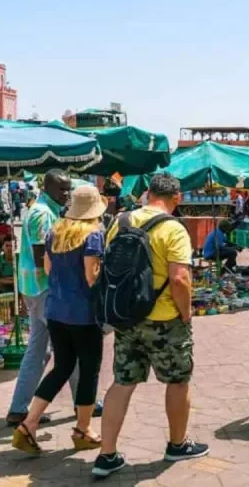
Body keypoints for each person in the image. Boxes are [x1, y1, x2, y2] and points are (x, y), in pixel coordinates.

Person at [94, 173, 208, 479]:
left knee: (123, 382)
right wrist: (186, 314)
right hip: (165, 320)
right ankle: (177, 444)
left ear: (147, 193)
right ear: (177, 198)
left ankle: (106, 455)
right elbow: (180, 279)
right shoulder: (173, 229)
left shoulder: (121, 221)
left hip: (127, 317)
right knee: (177, 380)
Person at [11, 185, 106, 455]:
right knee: (89, 370)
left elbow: (48, 267)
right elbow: (91, 277)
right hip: (83, 314)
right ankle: (83, 429)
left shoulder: (56, 232)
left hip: (55, 310)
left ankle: (28, 424)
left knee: (61, 367)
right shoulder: (93, 235)